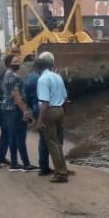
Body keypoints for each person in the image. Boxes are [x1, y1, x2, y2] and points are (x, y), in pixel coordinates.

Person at [34, 51, 72, 183]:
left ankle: (61, 173)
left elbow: (44, 103)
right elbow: (66, 98)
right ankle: (63, 168)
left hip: (49, 112)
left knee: (52, 144)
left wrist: (39, 121)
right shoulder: (57, 76)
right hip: (60, 109)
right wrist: (64, 113)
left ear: (38, 68)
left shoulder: (42, 80)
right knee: (58, 143)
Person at [0, 54, 35, 172]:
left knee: (12, 136)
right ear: (9, 63)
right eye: (15, 61)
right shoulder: (13, 77)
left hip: (7, 109)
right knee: (20, 136)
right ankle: (26, 164)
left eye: (18, 60)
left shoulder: (5, 75)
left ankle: (14, 163)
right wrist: (25, 110)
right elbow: (16, 95)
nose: (18, 63)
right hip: (15, 109)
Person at [22, 57, 53, 176]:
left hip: (36, 108)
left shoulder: (29, 79)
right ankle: (46, 167)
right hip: (45, 108)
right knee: (49, 139)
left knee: (43, 138)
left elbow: (27, 98)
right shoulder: (44, 78)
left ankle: (43, 166)